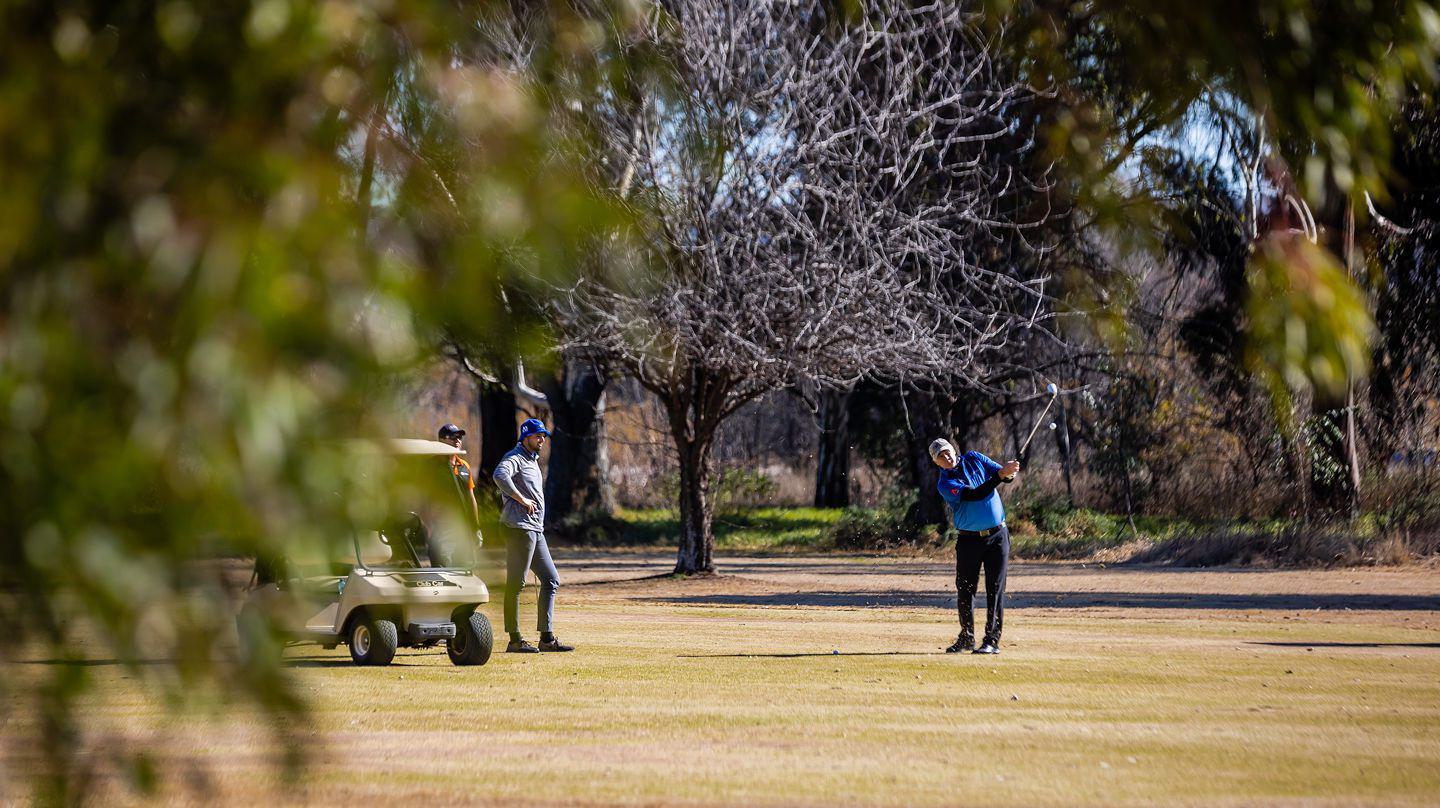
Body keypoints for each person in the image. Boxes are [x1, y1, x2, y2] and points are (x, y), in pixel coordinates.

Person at [931, 438, 1020, 655]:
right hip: (969, 540)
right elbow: (974, 494)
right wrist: (1000, 476)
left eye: (948, 452)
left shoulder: (974, 458)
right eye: (941, 456)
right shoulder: (945, 483)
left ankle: (992, 640)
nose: (947, 457)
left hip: (998, 535)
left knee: (995, 589)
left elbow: (1003, 477)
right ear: (937, 462)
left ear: (954, 449)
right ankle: (967, 638)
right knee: (965, 589)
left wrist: (1009, 472)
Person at [493, 418, 573, 653]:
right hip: (519, 528)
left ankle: (546, 639)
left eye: (543, 436)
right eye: (538, 436)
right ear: (525, 436)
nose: (541, 440)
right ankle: (514, 640)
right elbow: (499, 475)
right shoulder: (516, 457)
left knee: (550, 579)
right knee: (516, 584)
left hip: (535, 530)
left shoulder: (532, 460)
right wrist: (521, 499)